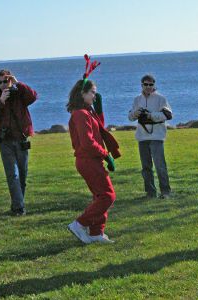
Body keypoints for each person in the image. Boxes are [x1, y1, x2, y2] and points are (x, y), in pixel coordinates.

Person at [67, 55, 121, 244]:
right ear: (82, 94)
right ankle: (80, 224)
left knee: (100, 196)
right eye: (92, 93)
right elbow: (88, 142)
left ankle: (96, 232)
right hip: (88, 160)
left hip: (92, 160)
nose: (95, 96)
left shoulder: (86, 112)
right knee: (108, 196)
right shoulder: (80, 114)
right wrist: (106, 154)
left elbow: (100, 129)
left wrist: (99, 109)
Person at [0, 69, 37, 216]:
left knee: (22, 175)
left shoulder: (20, 96)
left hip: (21, 140)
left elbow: (33, 96)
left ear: (10, 80)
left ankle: (16, 206)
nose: (2, 84)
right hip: (5, 142)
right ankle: (20, 208)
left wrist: (17, 83)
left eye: (5, 81)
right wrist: (1, 101)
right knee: (12, 175)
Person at [128, 74, 172, 199]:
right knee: (146, 167)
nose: (148, 87)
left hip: (157, 136)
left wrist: (151, 116)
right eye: (145, 84)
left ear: (154, 85)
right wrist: (135, 114)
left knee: (160, 165)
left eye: (151, 84)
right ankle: (150, 193)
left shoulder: (161, 99)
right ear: (141, 85)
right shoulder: (137, 100)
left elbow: (168, 115)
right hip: (142, 137)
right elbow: (130, 117)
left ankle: (165, 192)